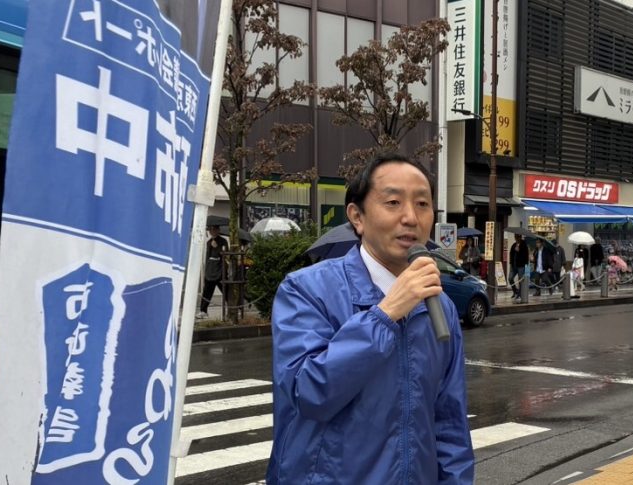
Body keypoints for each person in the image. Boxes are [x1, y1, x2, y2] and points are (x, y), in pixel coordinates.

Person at [266, 154, 474, 484]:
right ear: (357, 216)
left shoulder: (440, 306)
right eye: (393, 202)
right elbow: (308, 392)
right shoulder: (306, 290)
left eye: (422, 204)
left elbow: (450, 421)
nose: (410, 217)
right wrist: (385, 315)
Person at [197, 225, 228, 319]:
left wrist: (217, 247)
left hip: (220, 271)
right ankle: (203, 311)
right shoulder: (208, 242)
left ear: (218, 230)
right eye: (210, 230)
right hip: (210, 271)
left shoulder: (223, 241)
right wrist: (206, 270)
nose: (212, 231)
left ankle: (233, 309)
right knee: (207, 292)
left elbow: (226, 255)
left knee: (226, 291)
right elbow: (208, 258)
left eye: (214, 229)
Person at [508, 233, 529, 299]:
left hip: (521, 266)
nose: (516, 238)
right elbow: (511, 254)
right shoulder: (514, 245)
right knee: (510, 278)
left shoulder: (524, 245)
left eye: (517, 237)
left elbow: (525, 256)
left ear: (520, 237)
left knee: (520, 280)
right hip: (514, 265)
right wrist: (511, 264)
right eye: (515, 237)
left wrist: (519, 251)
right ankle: (515, 291)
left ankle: (520, 293)